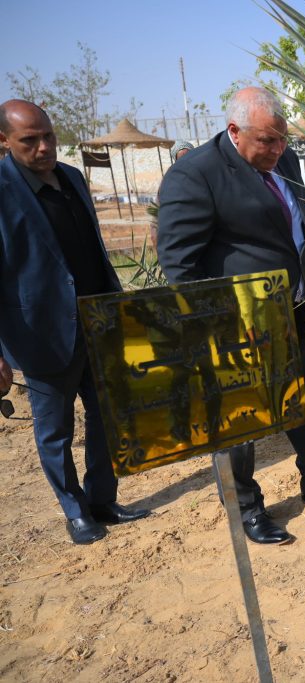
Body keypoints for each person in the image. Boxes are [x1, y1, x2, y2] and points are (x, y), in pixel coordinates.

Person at [157, 87, 305, 545]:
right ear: (234, 131)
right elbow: (179, 264)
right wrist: (213, 328)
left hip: (291, 309)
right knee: (241, 419)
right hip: (236, 323)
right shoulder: (195, 175)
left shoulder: (283, 160)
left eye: (282, 140)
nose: (276, 150)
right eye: (265, 142)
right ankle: (247, 509)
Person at [0, 100, 150, 544]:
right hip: (41, 334)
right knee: (55, 431)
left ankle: (102, 499)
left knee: (108, 419)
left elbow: (94, 247)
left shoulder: (72, 178)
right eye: (30, 140)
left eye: (48, 135)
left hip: (97, 322)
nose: (45, 147)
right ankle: (74, 510)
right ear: (4, 141)